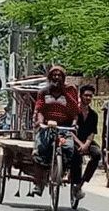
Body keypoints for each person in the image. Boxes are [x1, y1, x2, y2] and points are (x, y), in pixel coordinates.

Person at [28, 65, 79, 196]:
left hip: (64, 128)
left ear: (63, 78)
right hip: (47, 126)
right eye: (54, 75)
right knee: (40, 150)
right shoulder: (43, 92)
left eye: (59, 75)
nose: (57, 77)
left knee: (69, 148)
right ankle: (39, 184)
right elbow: (39, 109)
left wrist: (74, 124)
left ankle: (61, 171)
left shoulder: (69, 92)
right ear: (50, 77)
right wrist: (40, 121)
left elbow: (74, 112)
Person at [70, 85, 102, 198]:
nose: (88, 98)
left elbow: (92, 133)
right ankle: (75, 180)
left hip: (87, 141)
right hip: (73, 139)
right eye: (86, 95)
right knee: (76, 155)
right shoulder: (73, 111)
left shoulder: (93, 115)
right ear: (80, 96)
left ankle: (81, 183)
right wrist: (80, 144)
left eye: (90, 96)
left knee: (97, 154)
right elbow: (70, 131)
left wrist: (87, 144)